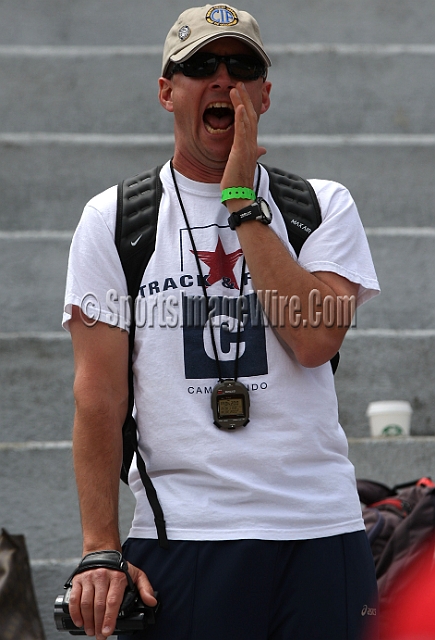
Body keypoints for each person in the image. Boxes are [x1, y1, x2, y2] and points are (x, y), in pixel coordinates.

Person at [62, 4, 381, 639]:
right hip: (186, 536)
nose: (222, 78)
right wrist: (101, 550)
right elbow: (97, 400)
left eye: (241, 66)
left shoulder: (321, 205)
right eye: (201, 65)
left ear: (264, 92)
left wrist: (242, 202)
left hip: (320, 531)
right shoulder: (114, 218)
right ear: (165, 91)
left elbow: (315, 338)